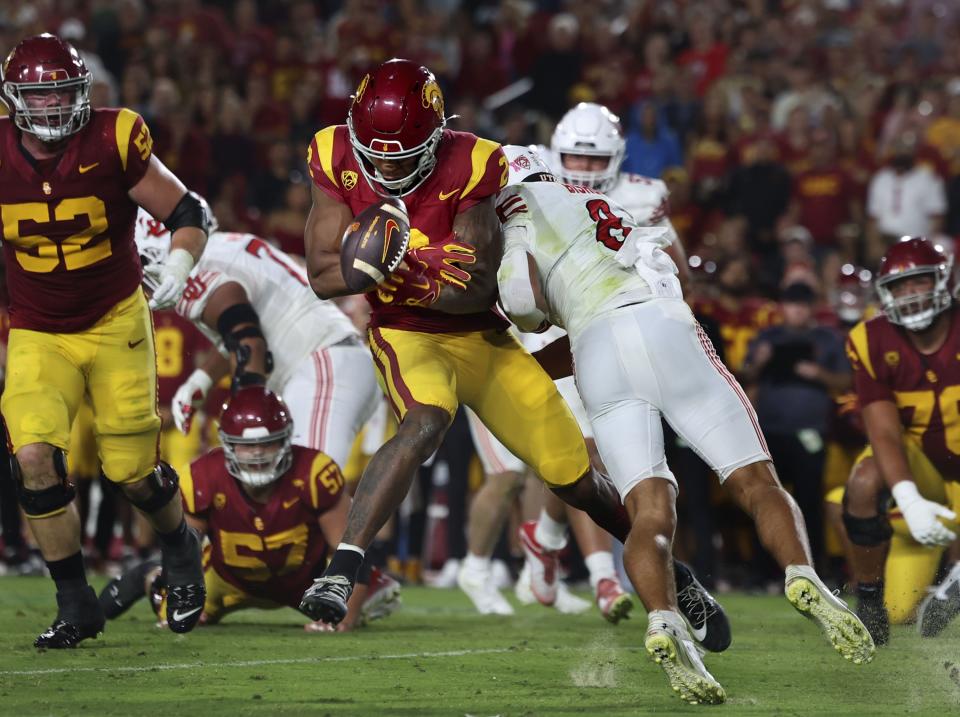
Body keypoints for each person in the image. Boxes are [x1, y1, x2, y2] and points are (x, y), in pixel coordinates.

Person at [297, 60, 725, 642]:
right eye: (378, 154)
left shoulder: (475, 160)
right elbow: (322, 276)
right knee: (423, 423)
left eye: (403, 155)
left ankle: (677, 576)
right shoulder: (333, 153)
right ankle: (343, 570)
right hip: (404, 332)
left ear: (435, 135)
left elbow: (472, 287)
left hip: (483, 336)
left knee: (574, 478)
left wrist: (394, 262)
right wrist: (406, 267)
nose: (388, 167)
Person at [495, 145, 874, 704]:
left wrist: (515, 372)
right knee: (754, 481)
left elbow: (524, 305)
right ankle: (802, 575)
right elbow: (669, 265)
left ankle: (665, 620)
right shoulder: (603, 199)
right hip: (662, 323)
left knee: (647, 509)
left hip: (595, 349)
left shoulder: (509, 226)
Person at [0, 33, 209, 647]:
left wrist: (175, 269)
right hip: (38, 329)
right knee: (32, 458)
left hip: (116, 319)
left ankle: (179, 546)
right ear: (13, 100)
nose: (51, 109)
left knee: (130, 470)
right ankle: (75, 603)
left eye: (62, 94)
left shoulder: (115, 135)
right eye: (38, 98)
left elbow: (187, 211)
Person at [98, 388, 400, 631]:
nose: (256, 453)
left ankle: (375, 585)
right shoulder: (204, 476)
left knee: (345, 611)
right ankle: (150, 576)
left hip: (304, 580)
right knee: (175, 616)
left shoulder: (313, 472)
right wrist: (172, 582)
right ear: (227, 445)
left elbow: (348, 547)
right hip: (226, 578)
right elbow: (183, 552)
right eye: (246, 446)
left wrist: (346, 615)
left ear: (285, 440)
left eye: (268, 444)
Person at [134, 207, 380, 470]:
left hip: (322, 370)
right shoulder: (224, 246)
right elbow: (239, 327)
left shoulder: (190, 270)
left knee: (305, 489)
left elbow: (247, 340)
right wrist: (202, 379)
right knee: (304, 494)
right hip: (332, 364)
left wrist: (249, 421)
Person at [842, 237, 960, 644]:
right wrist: (909, 500)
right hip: (923, 469)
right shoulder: (869, 339)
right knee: (862, 481)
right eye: (899, 286)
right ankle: (869, 602)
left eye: (919, 282)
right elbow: (884, 432)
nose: (909, 294)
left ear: (942, 282)